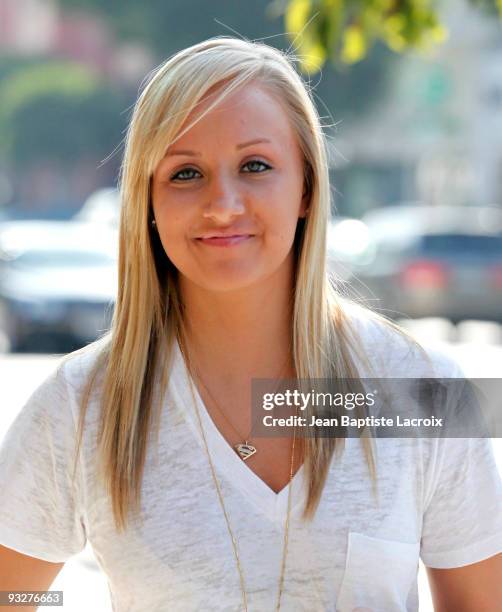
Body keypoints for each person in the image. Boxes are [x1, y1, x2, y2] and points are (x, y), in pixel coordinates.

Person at [0, 37, 501, 612]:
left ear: (308, 187)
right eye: (185, 174)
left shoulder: (423, 390)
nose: (223, 204)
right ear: (147, 201)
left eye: (255, 166)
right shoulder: (80, 405)